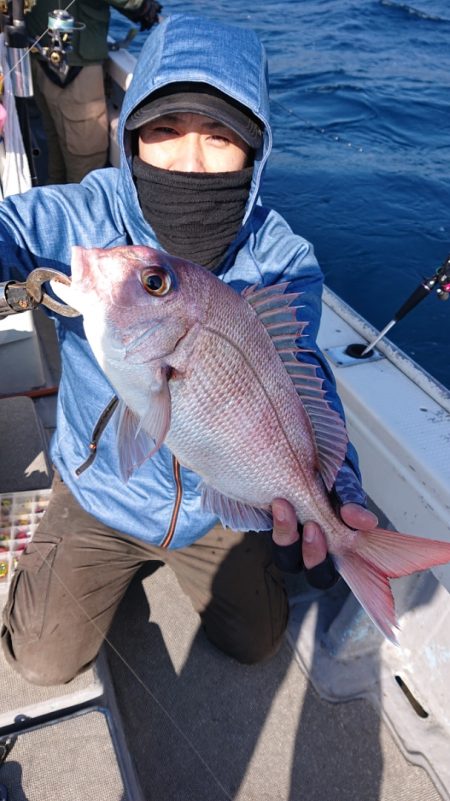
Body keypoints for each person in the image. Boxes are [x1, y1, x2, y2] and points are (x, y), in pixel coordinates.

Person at [0, 13, 377, 686]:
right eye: (165, 130)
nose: (191, 160)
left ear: (254, 151)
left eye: (220, 136)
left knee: (258, 642)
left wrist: (334, 485)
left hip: (216, 502)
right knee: (40, 660)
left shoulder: (281, 257)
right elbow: (13, 227)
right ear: (130, 135)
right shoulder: (89, 217)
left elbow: (302, 376)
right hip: (101, 494)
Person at [26, 0, 162, 184]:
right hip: (73, 65)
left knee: (56, 147)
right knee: (86, 159)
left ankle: (57, 197)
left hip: (41, 54)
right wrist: (143, 7)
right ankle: (79, 202)